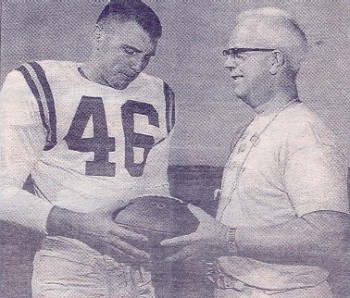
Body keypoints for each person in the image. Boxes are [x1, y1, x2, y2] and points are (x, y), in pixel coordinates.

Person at [161, 7, 349, 298]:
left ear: (275, 60)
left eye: (238, 53)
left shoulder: (305, 133)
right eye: (227, 53)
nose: (227, 63)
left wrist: (226, 240)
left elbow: (329, 235)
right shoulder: (255, 125)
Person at [0, 1, 175, 297]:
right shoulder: (37, 82)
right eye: (129, 51)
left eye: (147, 57)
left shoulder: (159, 93)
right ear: (97, 36)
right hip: (69, 265)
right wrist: (81, 225)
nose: (137, 66)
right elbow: (2, 191)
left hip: (135, 270)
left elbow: (155, 188)